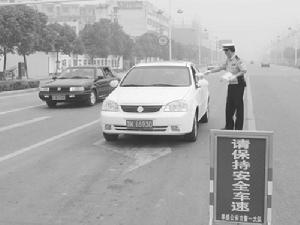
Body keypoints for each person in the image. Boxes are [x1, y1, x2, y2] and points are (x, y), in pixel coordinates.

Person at [204, 43, 247, 130]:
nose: (225, 53)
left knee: (238, 107)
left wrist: (235, 76)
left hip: (239, 85)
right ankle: (229, 126)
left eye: (226, 51)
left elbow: (244, 70)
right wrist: (210, 71)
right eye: (224, 51)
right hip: (231, 85)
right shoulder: (228, 60)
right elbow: (221, 67)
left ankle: (238, 129)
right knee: (229, 106)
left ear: (230, 50)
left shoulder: (238, 59)